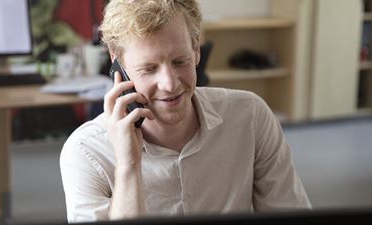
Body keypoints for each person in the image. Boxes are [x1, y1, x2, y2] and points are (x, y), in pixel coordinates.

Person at [60, 0, 311, 222]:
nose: (170, 84)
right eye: (148, 69)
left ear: (196, 50)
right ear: (119, 65)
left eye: (180, 61)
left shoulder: (250, 116)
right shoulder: (86, 151)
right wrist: (128, 166)